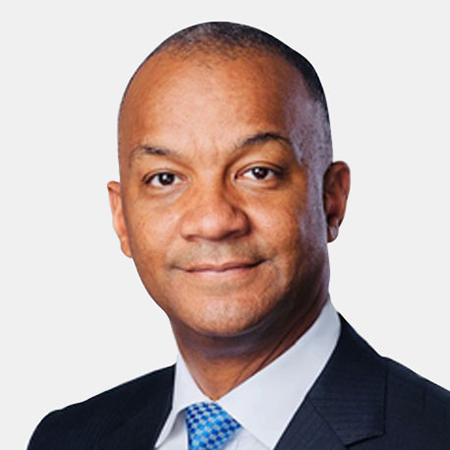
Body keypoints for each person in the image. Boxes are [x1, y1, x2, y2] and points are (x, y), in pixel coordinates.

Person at [28, 21, 450, 450]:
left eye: (258, 172)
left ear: (331, 199)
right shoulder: (66, 439)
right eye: (165, 178)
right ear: (121, 218)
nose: (213, 222)